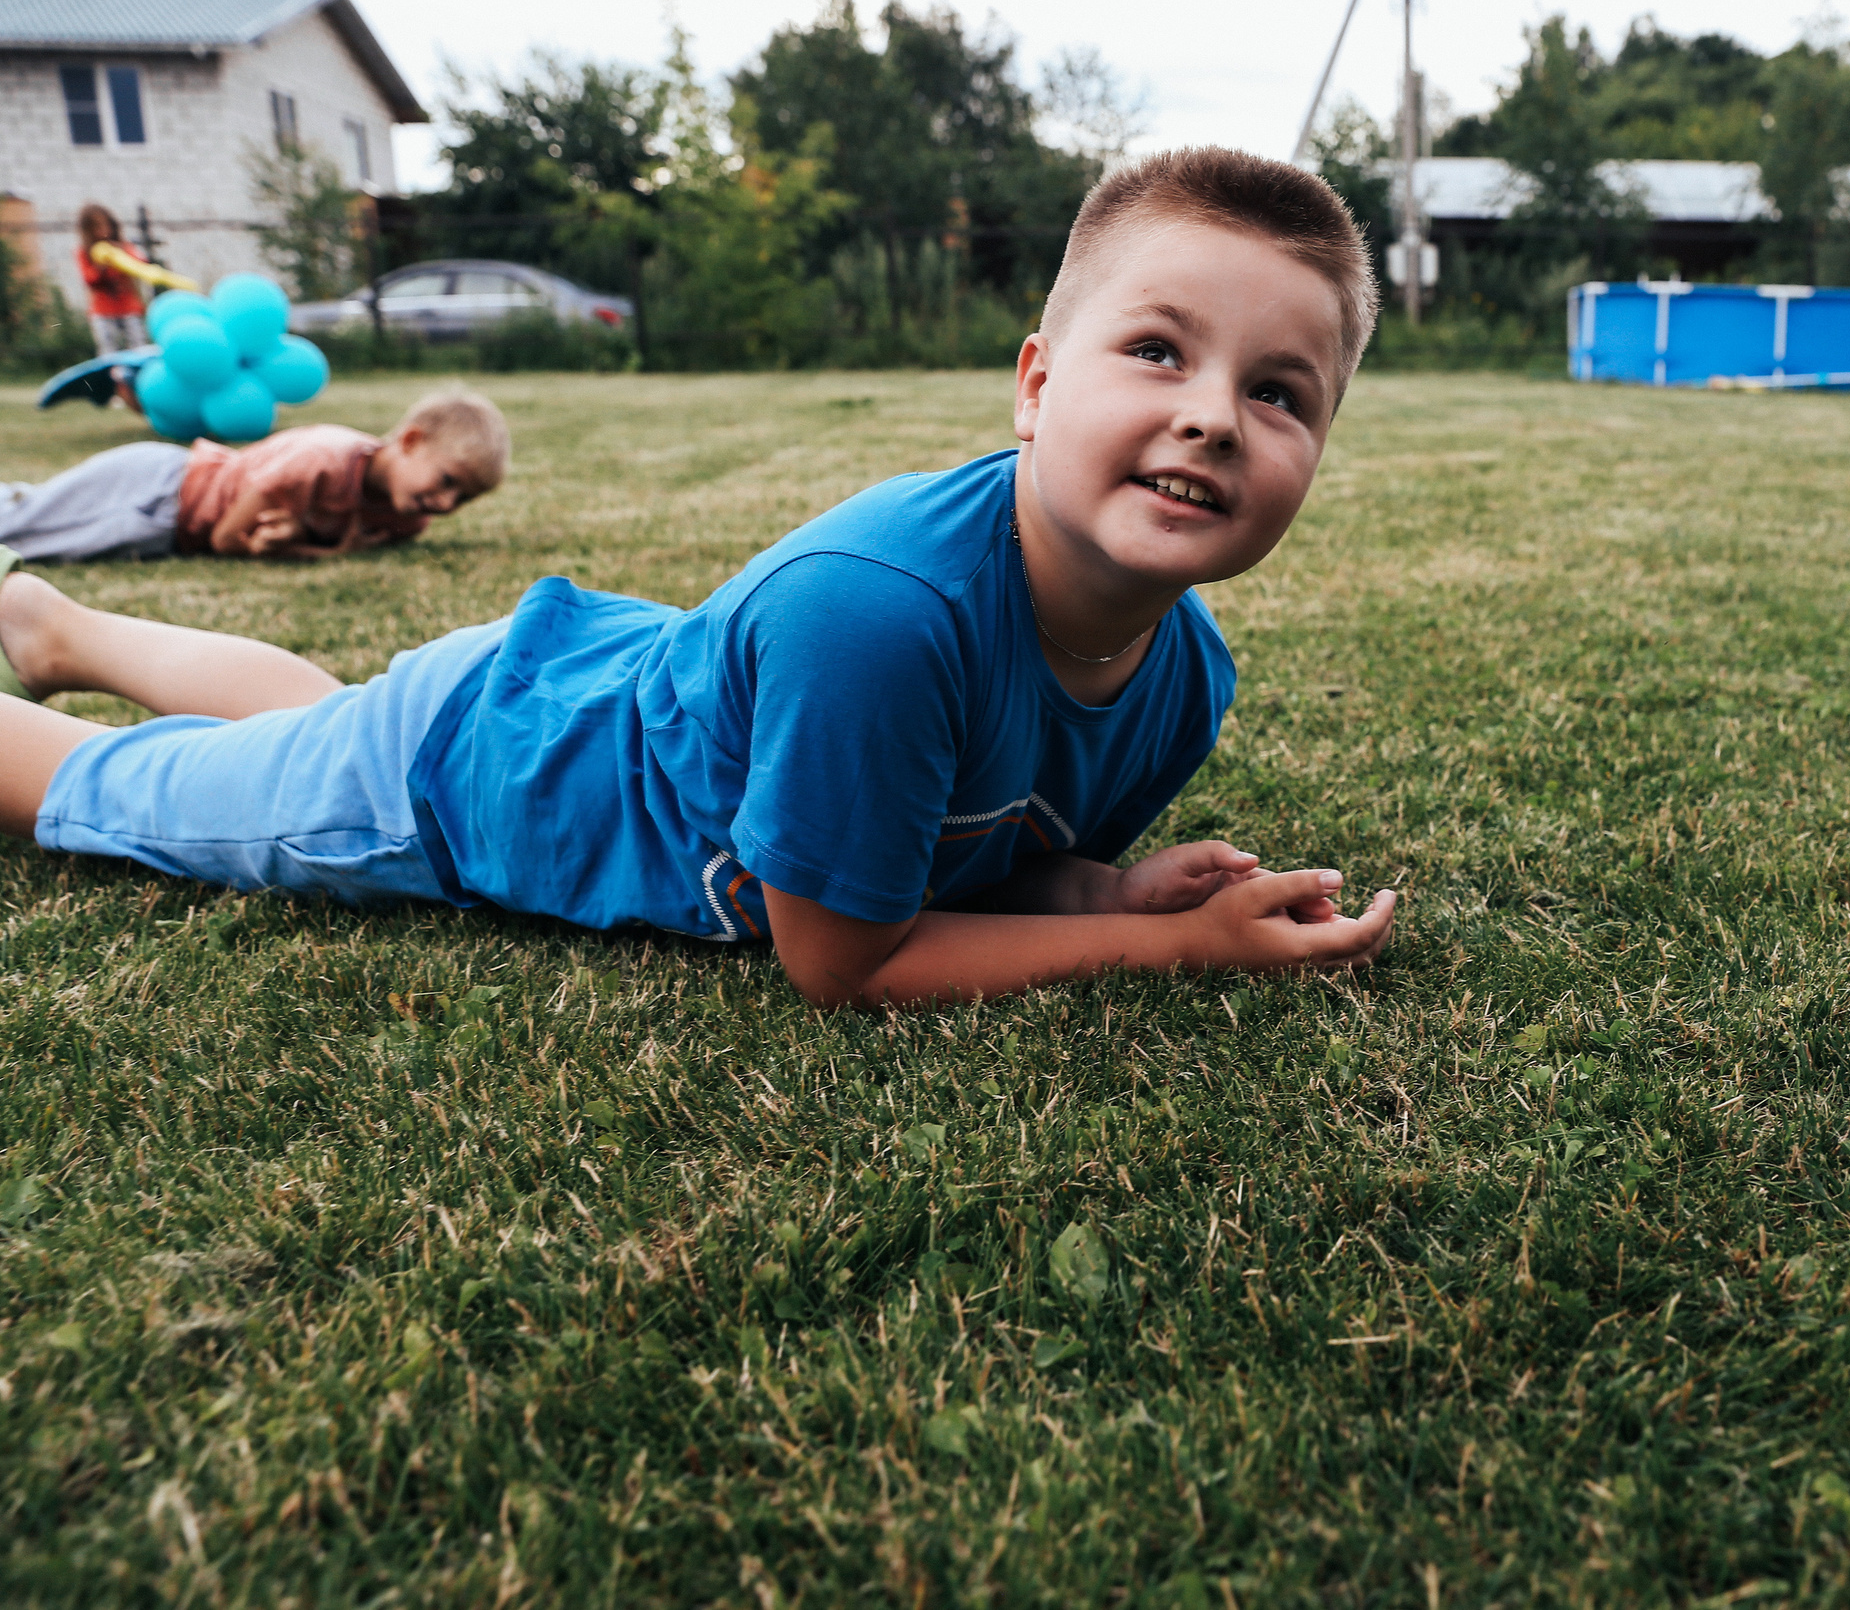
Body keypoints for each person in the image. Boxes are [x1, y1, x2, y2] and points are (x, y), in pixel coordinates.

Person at [0, 148, 1396, 1010]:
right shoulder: (880, 618)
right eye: (1157, 349)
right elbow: (846, 961)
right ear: (1034, 385)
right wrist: (1167, 949)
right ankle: (46, 689)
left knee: (321, 714)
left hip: (543, 678)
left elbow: (969, 847)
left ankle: (56, 621)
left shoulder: (1188, 675)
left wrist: (1103, 886)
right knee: (116, 794)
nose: (1213, 412)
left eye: (1280, 391)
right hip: (457, 779)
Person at [0, 387, 508, 565]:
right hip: (162, 488)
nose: (444, 505)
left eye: (462, 500)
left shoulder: (406, 521)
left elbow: (280, 535)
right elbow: (226, 541)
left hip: (167, 536)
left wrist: (289, 538)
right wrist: (323, 553)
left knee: (34, 550)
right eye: (446, 481)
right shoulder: (324, 458)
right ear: (412, 441)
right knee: (24, 519)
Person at [74, 204, 147, 360]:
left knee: (139, 346)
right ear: (88, 231)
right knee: (108, 350)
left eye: (106, 225)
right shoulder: (83, 253)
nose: (103, 231)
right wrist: (100, 267)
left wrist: (121, 254)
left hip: (129, 307)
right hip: (103, 311)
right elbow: (89, 280)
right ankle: (110, 381)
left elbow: (141, 262)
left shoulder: (123, 247)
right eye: (96, 227)